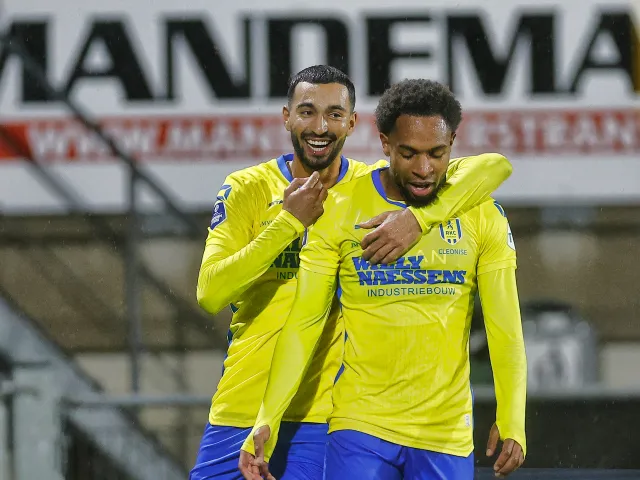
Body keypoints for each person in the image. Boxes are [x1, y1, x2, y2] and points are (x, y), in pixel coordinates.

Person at [191, 66, 514, 480]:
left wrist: (418, 219)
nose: (320, 127)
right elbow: (211, 293)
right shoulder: (247, 188)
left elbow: (491, 169)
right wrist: (288, 223)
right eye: (307, 112)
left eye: (334, 114)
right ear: (286, 117)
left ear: (353, 123)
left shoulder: (377, 187)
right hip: (241, 403)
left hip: (325, 414)